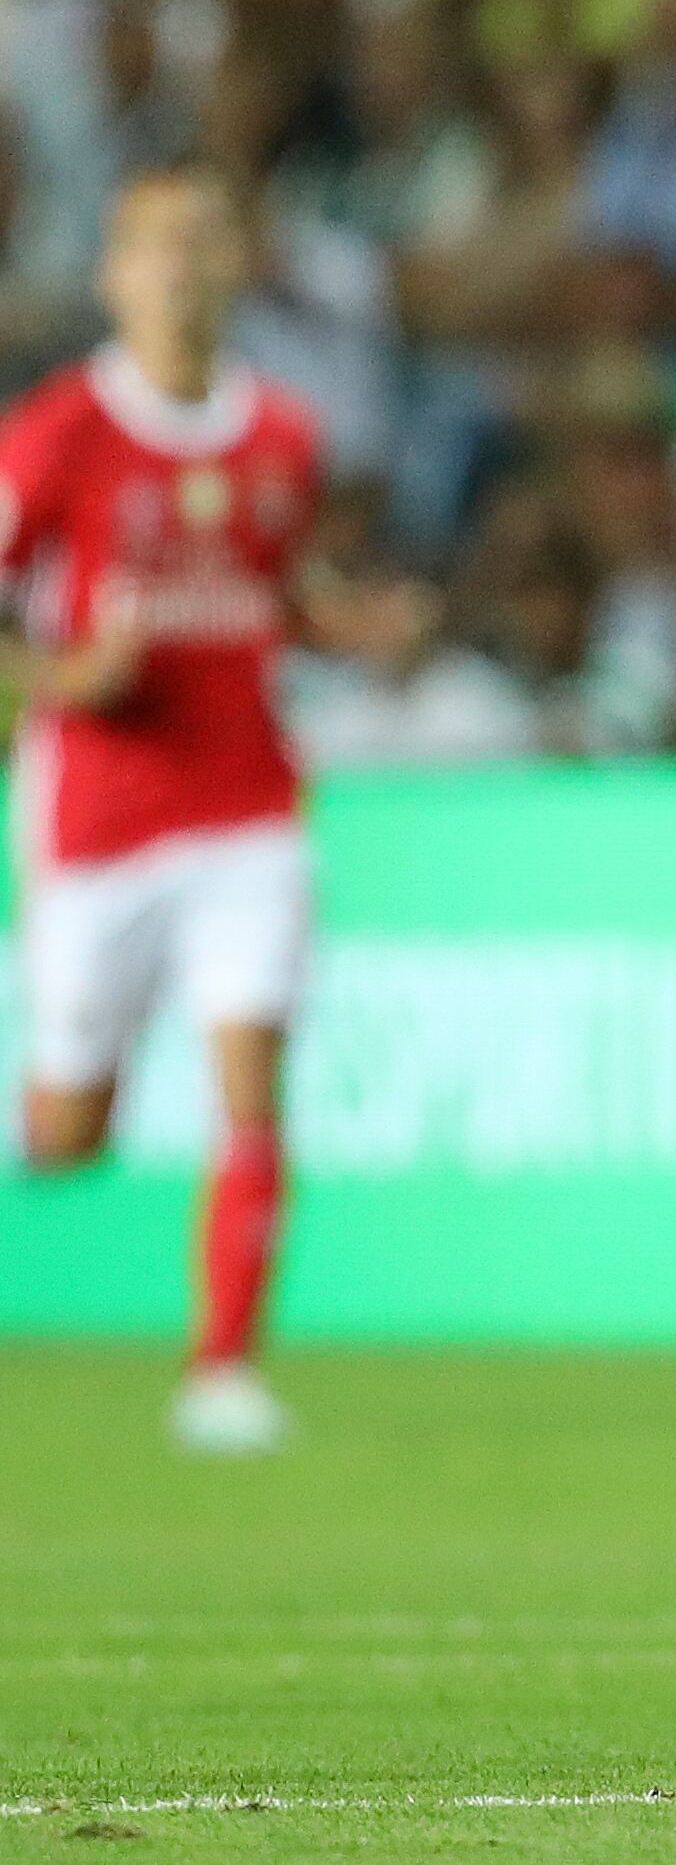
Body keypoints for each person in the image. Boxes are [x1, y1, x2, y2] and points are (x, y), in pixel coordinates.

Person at [3, 173, 331, 1455]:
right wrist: (65, 678)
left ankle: (223, 1370)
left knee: (252, 1078)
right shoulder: (59, 435)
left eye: (206, 243)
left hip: (246, 799)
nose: (184, 269)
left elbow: (280, 589)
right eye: (158, 249)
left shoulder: (283, 438)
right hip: (99, 814)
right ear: (114, 275)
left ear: (237, 263)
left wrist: (351, 618)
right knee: (68, 1132)